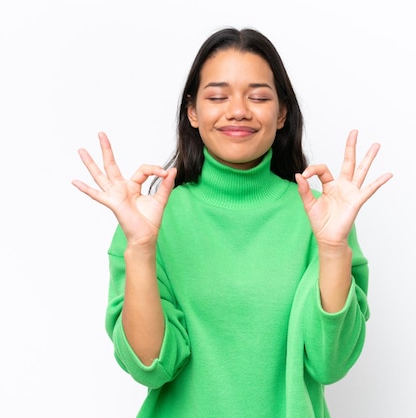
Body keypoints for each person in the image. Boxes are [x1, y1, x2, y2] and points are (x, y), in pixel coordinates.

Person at [72, 27, 392, 418]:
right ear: (192, 111)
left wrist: (332, 249)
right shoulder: (149, 218)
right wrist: (139, 248)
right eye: (217, 96)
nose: (238, 110)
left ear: (282, 113)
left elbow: (330, 363)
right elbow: (150, 367)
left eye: (258, 96)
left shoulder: (322, 215)